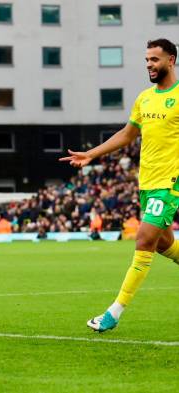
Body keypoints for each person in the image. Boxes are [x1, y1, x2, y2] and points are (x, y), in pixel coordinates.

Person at [60, 38, 179, 333]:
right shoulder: (144, 98)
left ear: (171, 61)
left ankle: (113, 312)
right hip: (147, 184)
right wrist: (91, 154)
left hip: (169, 183)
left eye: (155, 59)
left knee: (143, 241)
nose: (149, 65)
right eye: (147, 60)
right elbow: (127, 135)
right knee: (163, 243)